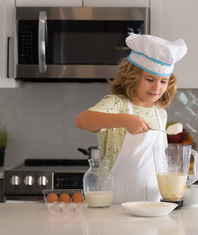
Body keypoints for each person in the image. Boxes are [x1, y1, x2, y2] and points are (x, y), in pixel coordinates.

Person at [76, 34, 187, 203]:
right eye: (150, 79)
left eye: (163, 81)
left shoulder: (160, 113)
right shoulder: (116, 105)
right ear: (133, 77)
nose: (157, 87)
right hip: (115, 202)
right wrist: (124, 120)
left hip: (153, 202)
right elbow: (82, 120)